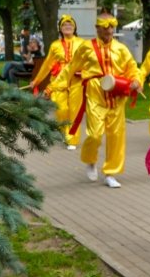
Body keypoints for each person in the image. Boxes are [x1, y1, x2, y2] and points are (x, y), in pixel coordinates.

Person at [48, 11, 142, 189]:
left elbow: (132, 68)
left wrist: (137, 80)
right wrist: (53, 86)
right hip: (95, 93)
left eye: (112, 27)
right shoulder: (86, 47)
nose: (109, 30)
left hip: (117, 94)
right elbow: (70, 68)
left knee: (116, 136)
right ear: (97, 28)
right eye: (105, 27)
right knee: (94, 134)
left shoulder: (121, 48)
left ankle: (110, 173)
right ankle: (90, 160)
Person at [31, 15, 85, 149]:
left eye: (70, 24)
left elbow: (89, 61)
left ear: (74, 27)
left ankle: (72, 139)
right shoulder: (55, 45)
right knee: (61, 110)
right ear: (60, 29)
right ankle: (65, 132)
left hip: (76, 80)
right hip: (58, 81)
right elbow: (47, 65)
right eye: (64, 25)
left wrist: (87, 72)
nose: (67, 27)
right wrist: (37, 80)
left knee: (74, 110)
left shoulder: (82, 43)